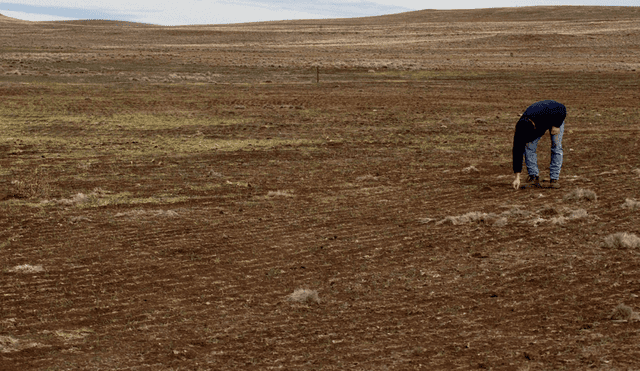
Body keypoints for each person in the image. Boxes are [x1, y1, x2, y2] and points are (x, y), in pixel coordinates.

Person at [511, 100, 566, 190]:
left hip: (556, 117)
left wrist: (556, 125)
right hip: (537, 124)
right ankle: (533, 177)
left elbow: (562, 108)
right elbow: (517, 151)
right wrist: (517, 177)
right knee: (529, 147)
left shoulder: (542, 113)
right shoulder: (520, 128)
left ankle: (554, 179)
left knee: (556, 146)